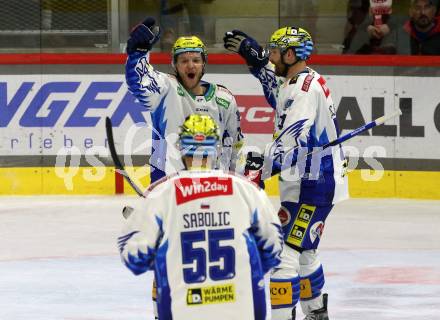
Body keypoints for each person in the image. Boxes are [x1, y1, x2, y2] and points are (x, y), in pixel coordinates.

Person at [224, 27, 349, 319]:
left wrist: (257, 167)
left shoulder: (304, 92)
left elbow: (291, 146)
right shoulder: (297, 81)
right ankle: (317, 313)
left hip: (315, 184)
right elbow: (276, 90)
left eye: (276, 51)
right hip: (309, 181)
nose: (272, 56)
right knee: (305, 253)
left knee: (284, 256)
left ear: (291, 54)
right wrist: (255, 62)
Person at [118, 114, 283, 320]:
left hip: (184, 310)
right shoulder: (246, 189)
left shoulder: (162, 194)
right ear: (216, 148)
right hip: (244, 308)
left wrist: (167, 256)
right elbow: (274, 248)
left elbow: (133, 257)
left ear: (180, 147)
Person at [125, 17, 244, 184]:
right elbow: (138, 81)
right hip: (169, 184)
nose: (191, 66)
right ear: (175, 65)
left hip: (214, 185)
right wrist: (138, 53)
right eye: (184, 61)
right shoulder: (165, 89)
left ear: (204, 64)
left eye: (196, 60)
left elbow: (235, 146)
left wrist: (243, 183)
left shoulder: (224, 99)